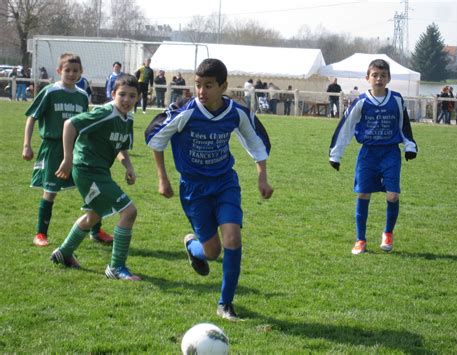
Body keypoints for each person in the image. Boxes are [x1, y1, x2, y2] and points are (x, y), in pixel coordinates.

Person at [145, 58, 273, 320]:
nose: (201, 91)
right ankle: (192, 245)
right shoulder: (186, 111)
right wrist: (163, 178)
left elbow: (256, 143)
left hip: (225, 182)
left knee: (233, 238)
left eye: (209, 86)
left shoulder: (236, 113)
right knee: (212, 252)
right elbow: (156, 140)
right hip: (194, 188)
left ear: (223, 86)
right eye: (198, 85)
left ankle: (225, 303)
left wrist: (262, 177)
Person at [51, 74, 140, 280]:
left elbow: (122, 147)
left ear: (138, 98)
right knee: (129, 212)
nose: (127, 100)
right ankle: (116, 267)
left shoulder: (128, 119)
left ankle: (63, 253)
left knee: (94, 216)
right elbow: (70, 125)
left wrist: (129, 166)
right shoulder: (105, 112)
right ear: (112, 94)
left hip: (98, 171)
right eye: (122, 94)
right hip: (87, 169)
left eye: (132, 96)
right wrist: (67, 158)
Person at [22, 53, 112, 247]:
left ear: (81, 72)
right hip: (53, 148)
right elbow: (32, 117)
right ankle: (40, 234)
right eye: (67, 70)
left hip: (77, 148)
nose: (71, 74)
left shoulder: (81, 96)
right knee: (50, 191)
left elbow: (85, 124)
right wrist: (26, 145)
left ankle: (96, 231)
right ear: (59, 71)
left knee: (91, 189)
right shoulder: (50, 91)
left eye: (75, 71)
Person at [328, 59, 417, 255]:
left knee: (393, 195)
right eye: (375, 75)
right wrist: (336, 155)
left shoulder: (396, 99)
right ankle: (360, 240)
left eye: (383, 76)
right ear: (367, 78)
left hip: (390, 153)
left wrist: (409, 145)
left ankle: (388, 233)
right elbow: (346, 128)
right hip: (368, 154)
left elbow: (404, 125)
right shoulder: (361, 101)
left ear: (389, 78)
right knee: (363, 194)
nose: (379, 79)